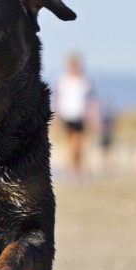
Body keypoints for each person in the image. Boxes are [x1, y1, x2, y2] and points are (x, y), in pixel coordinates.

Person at [53, 53, 97, 183]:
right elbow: (57, 99)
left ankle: (76, 169)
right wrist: (55, 116)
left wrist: (92, 117)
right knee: (71, 144)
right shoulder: (62, 80)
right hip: (67, 115)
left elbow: (91, 101)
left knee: (79, 145)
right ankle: (72, 171)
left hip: (81, 116)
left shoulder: (86, 81)